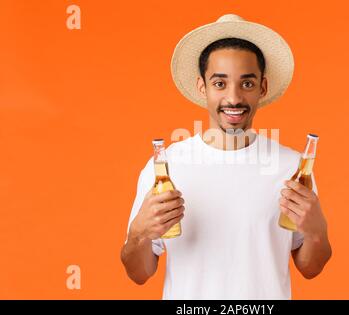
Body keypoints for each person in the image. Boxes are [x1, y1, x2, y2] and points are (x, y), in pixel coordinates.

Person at [120, 14, 332, 299]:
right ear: (202, 87)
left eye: (246, 83)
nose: (233, 98)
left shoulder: (292, 167)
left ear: (262, 88)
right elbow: (139, 273)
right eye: (220, 83)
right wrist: (138, 234)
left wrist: (318, 231)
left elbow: (310, 268)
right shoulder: (166, 168)